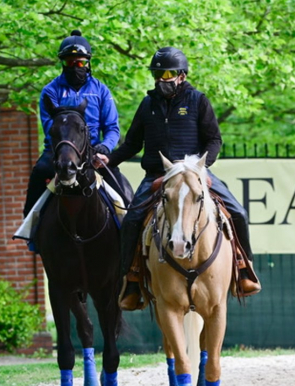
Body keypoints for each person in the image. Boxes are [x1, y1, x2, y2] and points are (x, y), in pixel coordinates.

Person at [95, 47, 260, 311]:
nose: (162, 79)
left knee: (238, 212)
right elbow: (133, 143)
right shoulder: (147, 104)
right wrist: (108, 160)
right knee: (132, 221)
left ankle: (244, 271)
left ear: (181, 76)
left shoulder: (198, 100)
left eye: (168, 73)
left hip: (193, 173)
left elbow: (214, 139)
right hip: (158, 176)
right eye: (157, 73)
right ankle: (133, 281)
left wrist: (200, 167)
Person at [23, 30, 133, 219]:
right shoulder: (50, 91)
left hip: (93, 152)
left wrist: (105, 147)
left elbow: (112, 128)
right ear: (63, 63)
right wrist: (67, 147)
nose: (75, 66)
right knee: (39, 172)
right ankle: (30, 227)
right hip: (58, 150)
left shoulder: (101, 91)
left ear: (88, 63)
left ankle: (128, 228)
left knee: (121, 190)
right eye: (69, 62)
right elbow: (50, 126)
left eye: (80, 62)